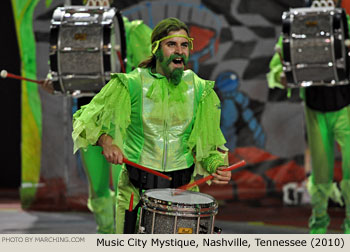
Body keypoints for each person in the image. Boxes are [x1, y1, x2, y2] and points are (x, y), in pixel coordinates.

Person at [72, 17, 231, 234]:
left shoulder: (200, 90)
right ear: (156, 48)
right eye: (171, 44)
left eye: (184, 45)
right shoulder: (131, 84)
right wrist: (106, 141)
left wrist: (216, 166)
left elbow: (208, 147)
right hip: (135, 194)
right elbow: (84, 119)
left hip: (181, 193)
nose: (179, 51)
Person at [42, 1, 153, 233]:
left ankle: (128, 237)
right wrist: (55, 81)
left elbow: (153, 73)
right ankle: (105, 235)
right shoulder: (75, 30)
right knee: (98, 188)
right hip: (90, 120)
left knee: (128, 187)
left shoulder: (132, 30)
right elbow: (63, 73)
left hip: (125, 121)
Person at [267, 0, 350, 234]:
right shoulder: (296, 25)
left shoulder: (345, 23)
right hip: (315, 105)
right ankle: (319, 227)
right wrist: (281, 74)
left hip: (346, 105)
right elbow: (277, 66)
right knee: (321, 171)